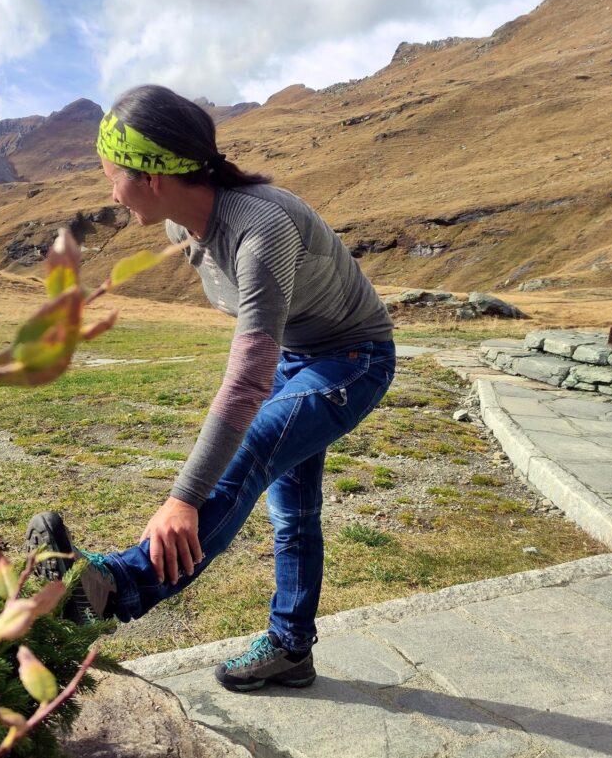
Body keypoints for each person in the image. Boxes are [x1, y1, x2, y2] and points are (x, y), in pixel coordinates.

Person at [27, 84, 395, 693]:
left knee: (245, 459)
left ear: (151, 177)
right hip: (298, 356)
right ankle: (291, 649)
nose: (108, 191)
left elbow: (249, 377)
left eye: (111, 174)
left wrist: (183, 496)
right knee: (294, 515)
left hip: (351, 360)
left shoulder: (262, 229)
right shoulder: (182, 223)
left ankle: (111, 587)